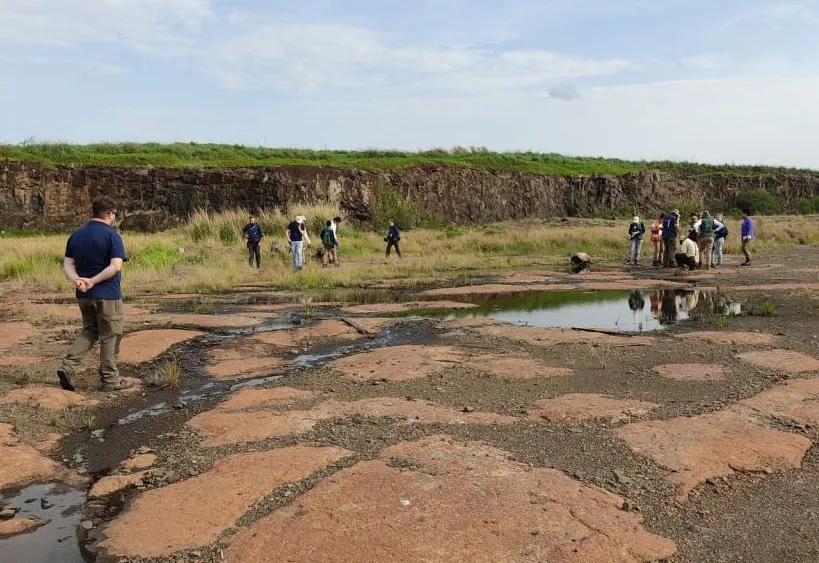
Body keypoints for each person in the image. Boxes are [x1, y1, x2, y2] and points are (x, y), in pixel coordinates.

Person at [57, 196, 131, 392]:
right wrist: (93, 281)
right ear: (110, 214)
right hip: (108, 295)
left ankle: (67, 367)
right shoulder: (112, 235)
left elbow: (68, 263)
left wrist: (78, 280)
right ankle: (110, 381)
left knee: (90, 331)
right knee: (110, 335)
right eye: (114, 214)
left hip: (84, 295)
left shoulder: (76, 235)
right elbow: (115, 266)